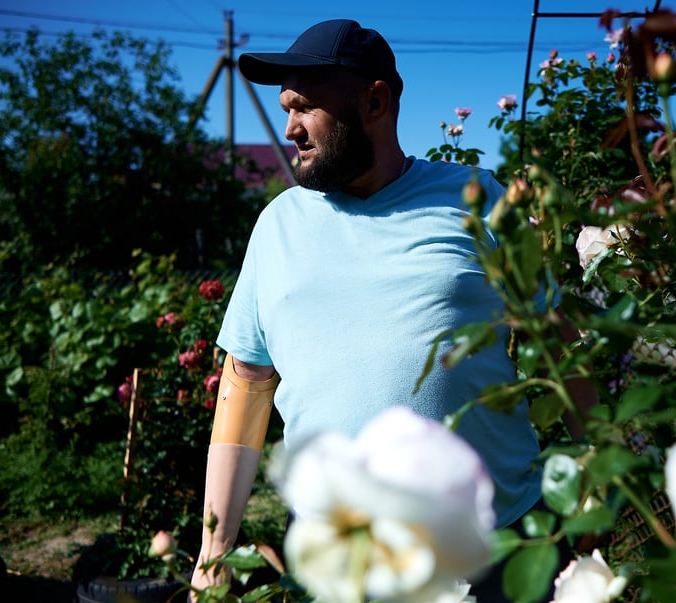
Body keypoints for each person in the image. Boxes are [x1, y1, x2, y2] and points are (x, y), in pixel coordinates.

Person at [191, 18, 597, 602]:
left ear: (374, 100)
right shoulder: (277, 225)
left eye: (305, 107)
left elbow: (558, 343)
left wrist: (595, 495)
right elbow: (248, 381)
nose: (289, 129)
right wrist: (213, 552)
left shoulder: (478, 201)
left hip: (493, 554)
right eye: (285, 108)